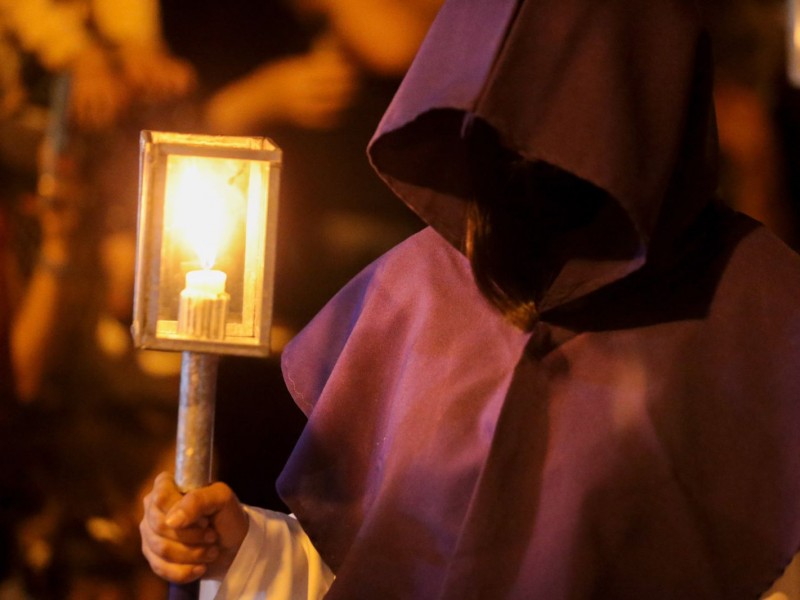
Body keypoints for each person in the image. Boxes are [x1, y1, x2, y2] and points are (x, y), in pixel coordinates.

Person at [140, 0, 800, 598]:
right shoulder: (423, 287)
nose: (523, 170)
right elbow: (374, 571)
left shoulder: (761, 314)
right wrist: (244, 552)